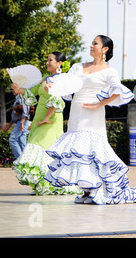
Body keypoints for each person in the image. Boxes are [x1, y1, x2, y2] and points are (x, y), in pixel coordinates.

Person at [43, 35, 136, 205]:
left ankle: (99, 188)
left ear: (105, 49)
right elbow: (66, 84)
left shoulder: (109, 71)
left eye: (95, 43)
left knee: (92, 149)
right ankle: (87, 190)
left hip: (93, 115)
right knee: (78, 152)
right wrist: (52, 85)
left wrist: (99, 104)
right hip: (76, 113)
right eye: (92, 43)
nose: (91, 46)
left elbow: (118, 91)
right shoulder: (78, 67)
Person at [12, 52, 81, 196]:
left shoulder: (61, 80)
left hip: (51, 120)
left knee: (45, 149)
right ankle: (41, 185)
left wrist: (46, 118)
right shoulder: (45, 78)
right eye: (47, 60)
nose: (47, 62)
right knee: (38, 148)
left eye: (50, 60)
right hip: (40, 118)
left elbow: (58, 101)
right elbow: (31, 95)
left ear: (59, 63)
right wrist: (19, 89)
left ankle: (52, 184)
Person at [2, 87, 32, 159]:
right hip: (22, 122)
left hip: (22, 122)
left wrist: (21, 123)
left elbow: (25, 112)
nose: (13, 91)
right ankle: (25, 161)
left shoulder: (21, 98)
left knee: (13, 139)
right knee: (22, 142)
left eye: (14, 89)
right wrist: (8, 126)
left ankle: (20, 160)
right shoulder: (19, 98)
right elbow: (15, 115)